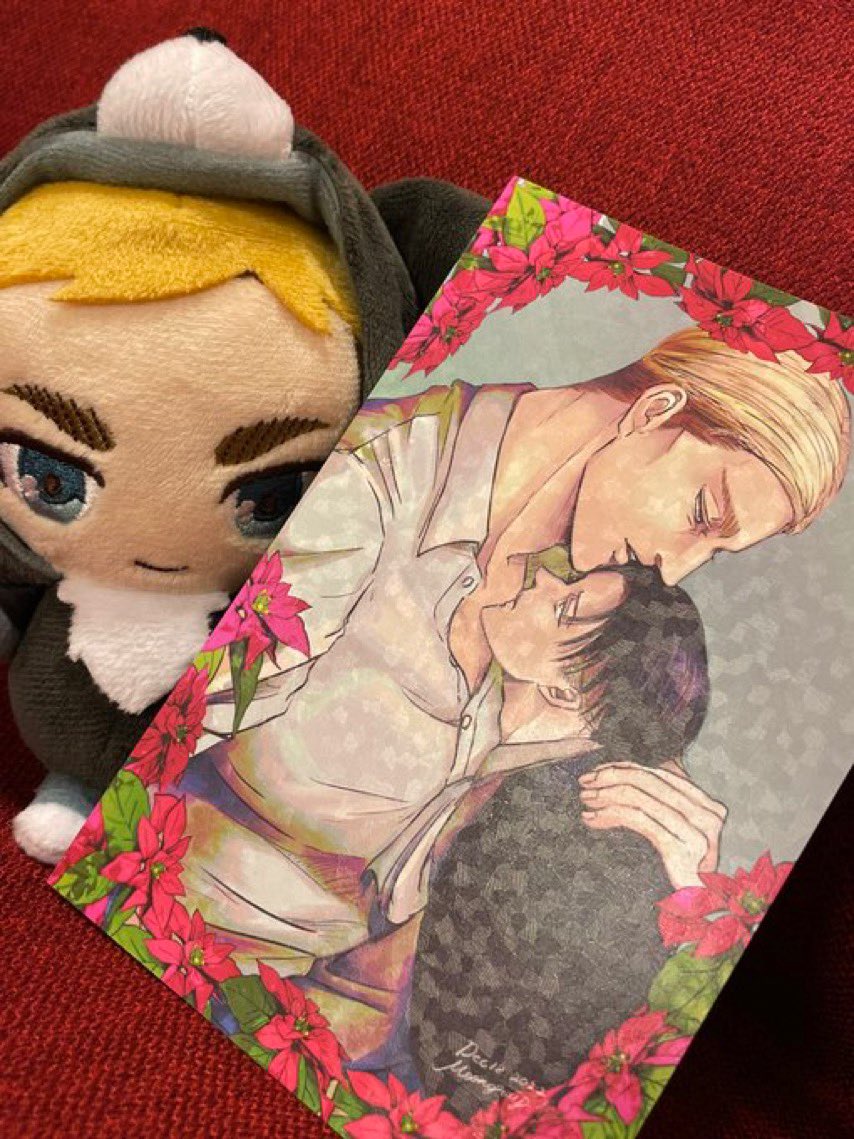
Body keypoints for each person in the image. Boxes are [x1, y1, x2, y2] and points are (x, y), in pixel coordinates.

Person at [409, 572, 714, 1111]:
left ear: (565, 687)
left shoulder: (568, 815)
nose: (546, 576)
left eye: (565, 606)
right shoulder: (507, 764)